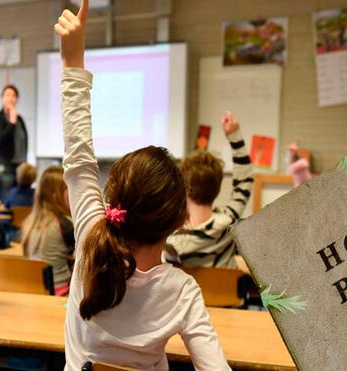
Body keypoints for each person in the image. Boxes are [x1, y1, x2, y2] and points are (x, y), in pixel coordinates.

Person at [55, 3, 230, 369]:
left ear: (112, 200)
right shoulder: (181, 291)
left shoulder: (89, 241)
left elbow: (79, 155)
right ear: (182, 218)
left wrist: (73, 64)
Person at [164, 111, 253, 269]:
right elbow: (244, 181)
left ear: (184, 188)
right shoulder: (228, 223)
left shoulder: (171, 241)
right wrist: (234, 136)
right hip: (226, 294)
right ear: (217, 188)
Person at [20, 166, 74, 296]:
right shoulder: (63, 224)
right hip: (60, 294)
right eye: (69, 189)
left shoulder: (30, 222)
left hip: (35, 291)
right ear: (57, 195)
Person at [0, 84, 28, 202]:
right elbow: (1, 138)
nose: (11, 98)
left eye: (13, 96)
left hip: (18, 168)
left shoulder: (20, 119)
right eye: (7, 95)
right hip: (3, 166)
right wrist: (11, 121)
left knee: (16, 205)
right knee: (5, 206)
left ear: (17, 99)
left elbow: (23, 142)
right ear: (2, 98)